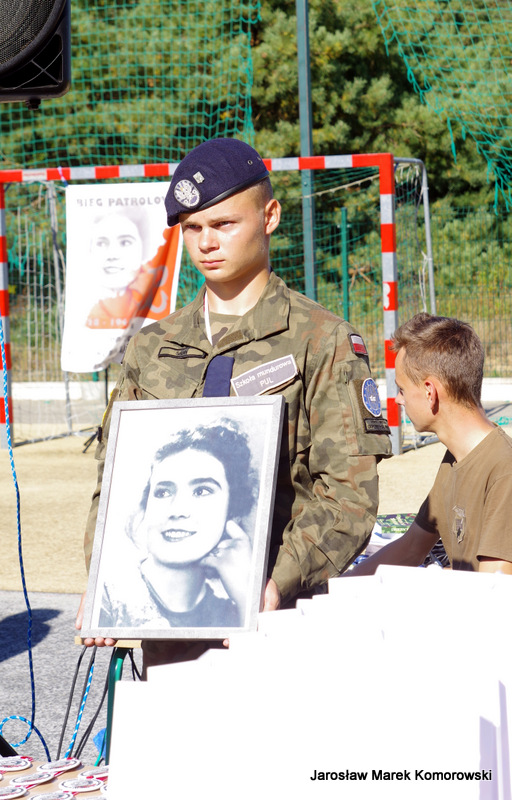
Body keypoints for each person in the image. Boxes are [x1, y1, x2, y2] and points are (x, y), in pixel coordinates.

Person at [76, 137, 392, 667]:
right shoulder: (151, 348)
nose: (206, 243)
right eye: (192, 228)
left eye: (224, 224)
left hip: (280, 626)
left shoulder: (321, 341)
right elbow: (115, 487)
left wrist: (272, 583)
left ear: (269, 217)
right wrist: (106, 580)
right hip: (168, 629)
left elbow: (348, 498)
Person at [349, 312, 512, 577]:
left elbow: (494, 587)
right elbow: (411, 547)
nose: (399, 400)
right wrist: (335, 588)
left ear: (429, 392)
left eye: (402, 389)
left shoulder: (504, 470)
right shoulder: (456, 457)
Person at [98, 420, 256, 629]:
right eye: (163, 492)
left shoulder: (233, 612)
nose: (177, 510)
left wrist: (246, 596)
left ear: (233, 509)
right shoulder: (108, 600)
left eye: (201, 491)